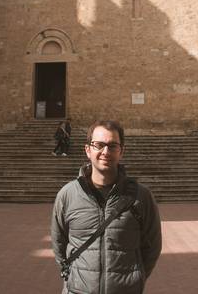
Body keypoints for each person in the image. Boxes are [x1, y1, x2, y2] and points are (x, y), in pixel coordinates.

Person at [51, 120, 162, 294]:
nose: (105, 152)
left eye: (112, 146)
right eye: (99, 145)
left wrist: (134, 280)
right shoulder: (67, 195)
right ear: (88, 150)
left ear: (121, 151)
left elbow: (152, 247)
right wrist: (74, 277)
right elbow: (59, 244)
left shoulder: (141, 197)